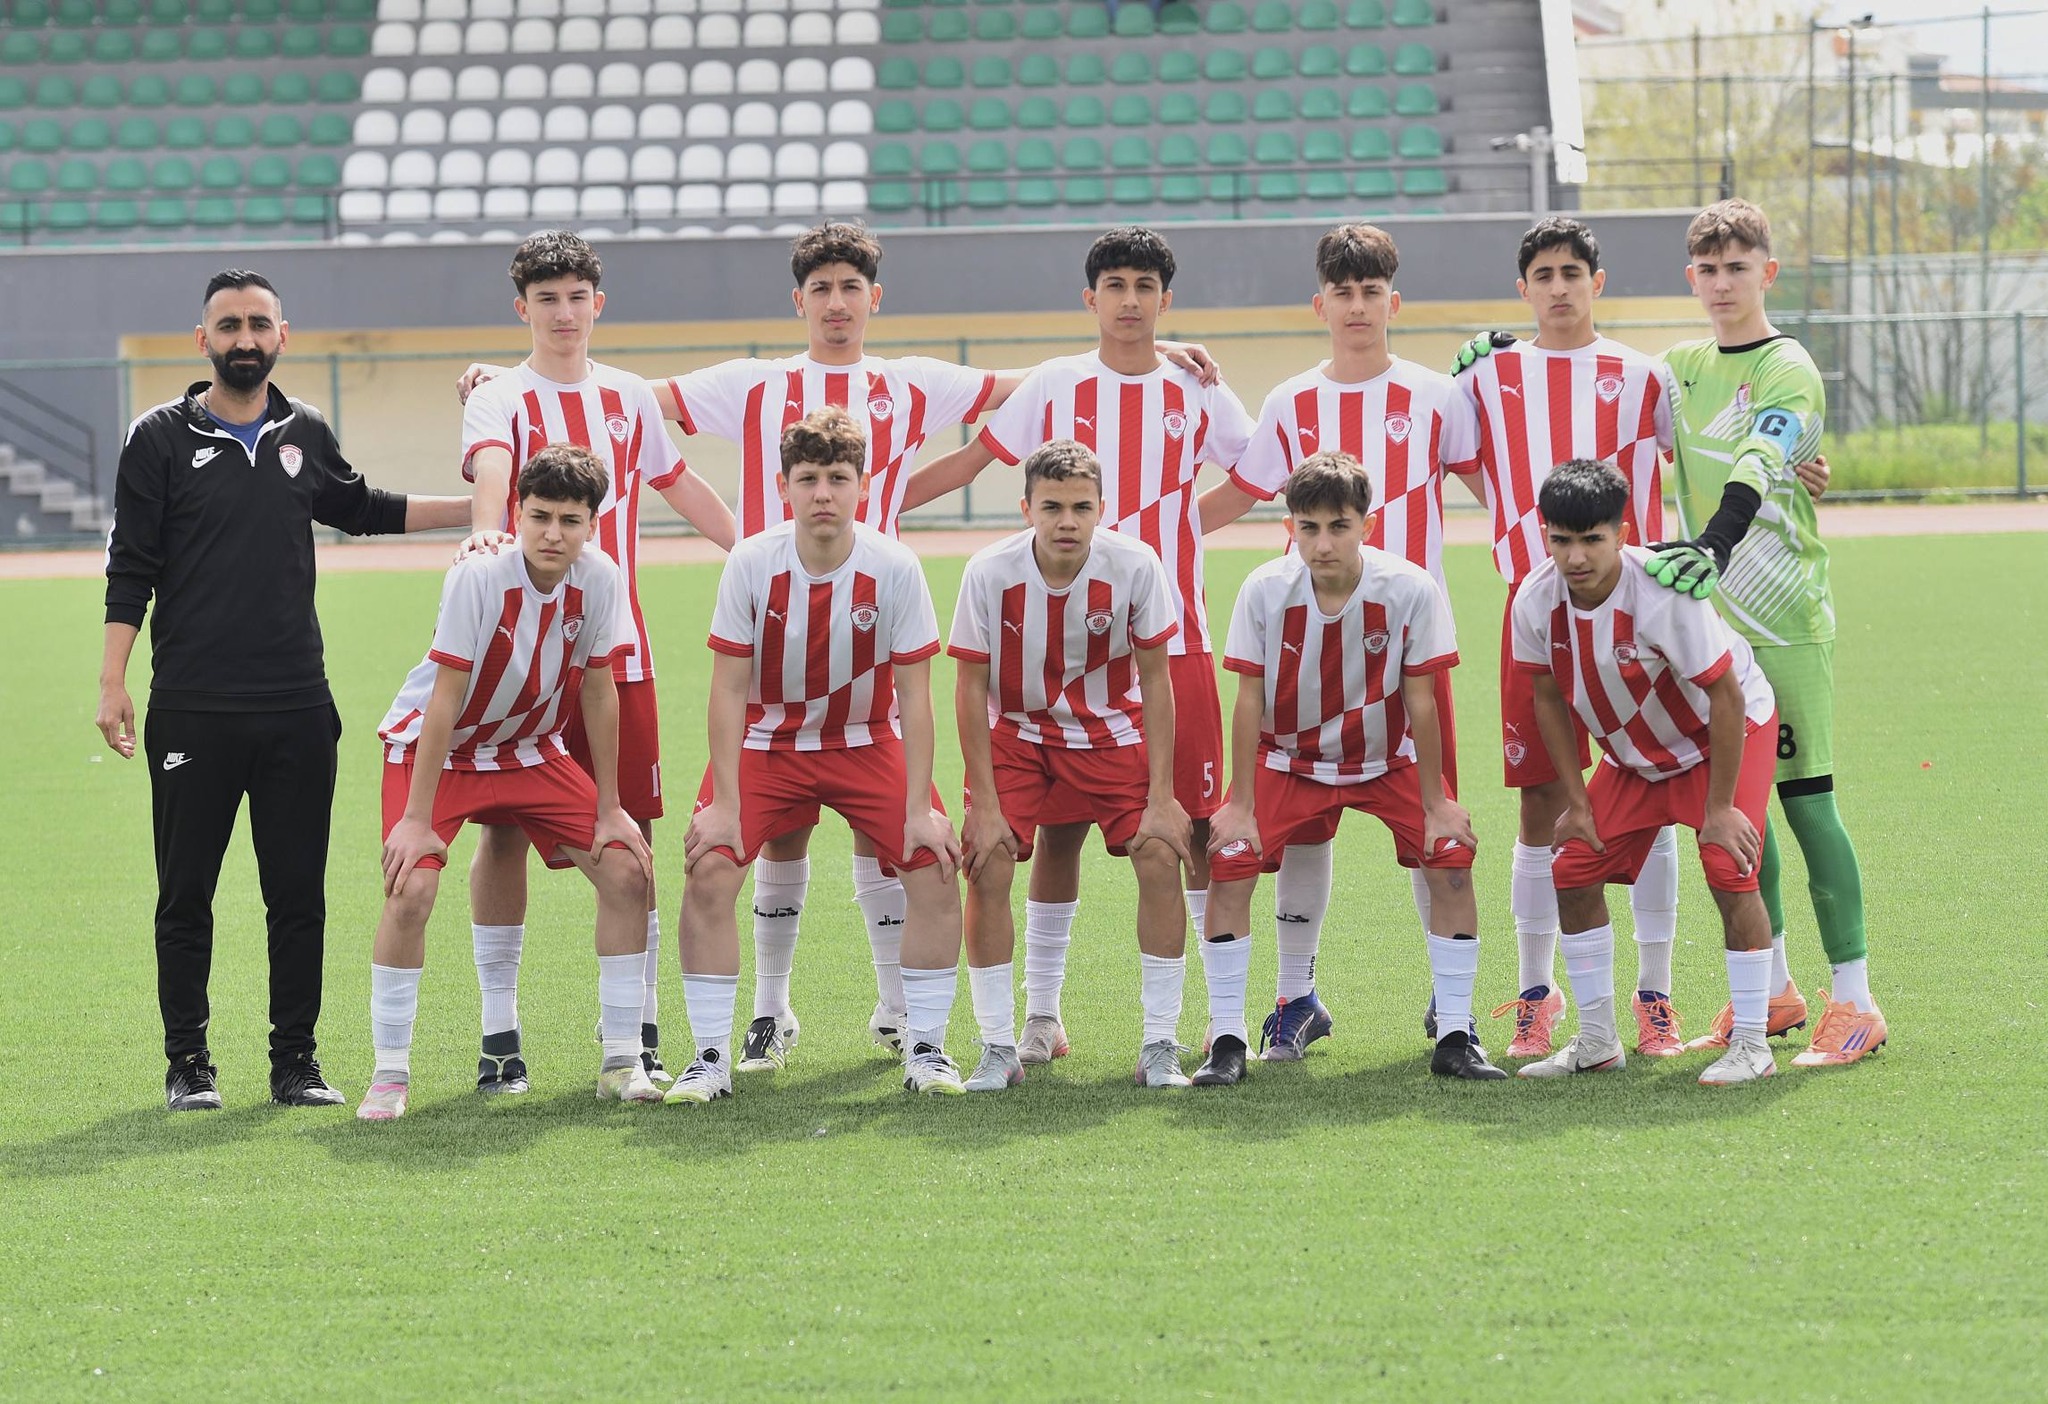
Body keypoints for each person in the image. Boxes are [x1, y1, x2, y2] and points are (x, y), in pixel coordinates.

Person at [460, 221, 1214, 1065]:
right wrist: (510, 374)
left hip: (875, 627)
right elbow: (632, 391)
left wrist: (1148, 345)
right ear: (799, 300)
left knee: (885, 825)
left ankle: (895, 1010)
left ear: (873, 297)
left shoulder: (912, 382)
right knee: (776, 831)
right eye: (820, 288)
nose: (836, 302)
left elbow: (1035, 379)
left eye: (851, 286)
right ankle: (770, 1011)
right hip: (775, 630)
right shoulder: (755, 382)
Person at [99, 268, 475, 1113]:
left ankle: (295, 1063)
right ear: (203, 339)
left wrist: (484, 506)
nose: (245, 338)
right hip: (192, 708)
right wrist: (113, 679)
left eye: (259, 324)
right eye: (229, 325)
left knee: (297, 896)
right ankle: (189, 1064)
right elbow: (132, 566)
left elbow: (362, 506)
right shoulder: (157, 437)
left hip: (298, 706)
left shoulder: (303, 429)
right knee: (185, 894)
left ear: (282, 335)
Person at [903, 224, 1254, 1068]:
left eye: (1145, 287)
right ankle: (1040, 1016)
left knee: (1188, 831)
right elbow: (972, 461)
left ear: (1165, 298)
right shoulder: (1056, 383)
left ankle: (1217, 1021)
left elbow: (1256, 474)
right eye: (1116, 286)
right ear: (1090, 297)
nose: (1130, 301)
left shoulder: (1197, 385)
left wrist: (1178, 533)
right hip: (1053, 650)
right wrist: (870, 513)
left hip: (1173, 641)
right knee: (1053, 838)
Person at [456, 231, 734, 1098]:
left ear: (598, 304)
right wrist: (487, 532)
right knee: (502, 829)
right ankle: (500, 1036)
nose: (564, 312)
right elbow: (493, 473)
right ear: (523, 309)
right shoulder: (498, 395)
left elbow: (678, 482)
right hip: (520, 664)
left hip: (619, 655)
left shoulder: (628, 396)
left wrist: (752, 552)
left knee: (630, 838)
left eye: (577, 296)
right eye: (547, 298)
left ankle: (634, 1037)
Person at [1196, 222, 1480, 1061]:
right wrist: (1141, 540)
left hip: (1411, 649)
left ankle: (1451, 1005)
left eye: (1371, 292)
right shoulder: (1291, 401)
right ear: (1319, 304)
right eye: (1343, 292)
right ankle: (1296, 997)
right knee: (1304, 830)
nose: (1358, 306)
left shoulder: (1437, 395)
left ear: (1394, 301)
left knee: (1435, 832)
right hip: (1308, 648)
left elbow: (1498, 483)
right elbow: (1239, 493)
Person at [667, 407, 967, 1102]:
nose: (823, 493)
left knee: (934, 866)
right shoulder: (752, 562)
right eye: (808, 479)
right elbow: (727, 689)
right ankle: (709, 1058)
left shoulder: (894, 566)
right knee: (709, 868)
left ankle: (926, 1047)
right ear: (783, 486)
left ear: (862, 486)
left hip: (867, 740)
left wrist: (920, 808)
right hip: (767, 743)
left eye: (837, 478)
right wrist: (724, 805)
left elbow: (916, 695)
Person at [1647, 199, 1884, 1067]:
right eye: (1708, 270)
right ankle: (1776, 990)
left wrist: (1713, 542)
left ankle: (1856, 1001)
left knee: (1807, 804)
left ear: (1767, 273)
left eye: (1737, 267)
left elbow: (1758, 459)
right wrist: (1501, 363)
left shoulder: (1789, 366)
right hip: (1712, 629)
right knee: (1742, 812)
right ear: (1691, 278)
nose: (1722, 284)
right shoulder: (1678, 368)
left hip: (1785, 623)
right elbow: (1594, 398)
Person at [1447, 216, 1687, 1060]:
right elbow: (1452, 457)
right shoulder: (1489, 375)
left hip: (1639, 614)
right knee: (1541, 800)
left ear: (1597, 282)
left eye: (1571, 273)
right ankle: (1535, 991)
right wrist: (1510, 518)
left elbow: (1701, 453)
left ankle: (1655, 994)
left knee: (1652, 793)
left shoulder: (1645, 375)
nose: (1558, 287)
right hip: (1535, 610)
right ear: (1523, 289)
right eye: (1543, 275)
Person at [360, 445, 659, 1119]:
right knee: (412, 887)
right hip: (443, 751)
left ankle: (622, 1060)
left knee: (626, 870)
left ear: (592, 524)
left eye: (571, 520)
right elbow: (445, 699)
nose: (553, 533)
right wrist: (416, 820)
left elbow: (599, 689)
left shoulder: (601, 579)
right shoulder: (479, 576)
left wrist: (611, 807)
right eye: (540, 516)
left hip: (529, 749)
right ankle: (389, 1075)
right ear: (517, 512)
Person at [1198, 452, 1499, 1085]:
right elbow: (1248, 699)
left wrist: (1437, 803)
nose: (1324, 543)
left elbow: (1422, 700)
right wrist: (1240, 804)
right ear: (1290, 527)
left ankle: (1456, 1033)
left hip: (1386, 758)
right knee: (1229, 858)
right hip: (1289, 759)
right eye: (1309, 528)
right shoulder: (1264, 589)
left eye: (1339, 526)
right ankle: (1226, 1040)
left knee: (1449, 855)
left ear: (1367, 524)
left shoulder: (1409, 588)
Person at [1510, 460, 1782, 1086]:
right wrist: (1577, 801)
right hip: (1634, 756)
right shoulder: (1535, 599)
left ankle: (1751, 1045)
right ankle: (1598, 1041)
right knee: (1573, 867)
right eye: (1561, 540)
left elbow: (1726, 696)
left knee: (1728, 865)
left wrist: (1720, 809)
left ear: (1622, 534)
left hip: (1721, 737)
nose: (1576, 557)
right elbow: (1547, 698)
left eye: (1592, 539)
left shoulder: (1663, 595)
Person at [949, 440, 1193, 1091]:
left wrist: (1162, 796)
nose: (1066, 521)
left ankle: (1160, 1044)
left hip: (1110, 734)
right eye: (1052, 506)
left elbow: (1156, 680)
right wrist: (984, 804)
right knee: (988, 859)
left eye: (1081, 507)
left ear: (1101, 509)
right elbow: (968, 687)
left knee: (1159, 853)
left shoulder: (1135, 564)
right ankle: (998, 1046)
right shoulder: (989, 571)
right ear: (1026, 508)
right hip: (1018, 735)